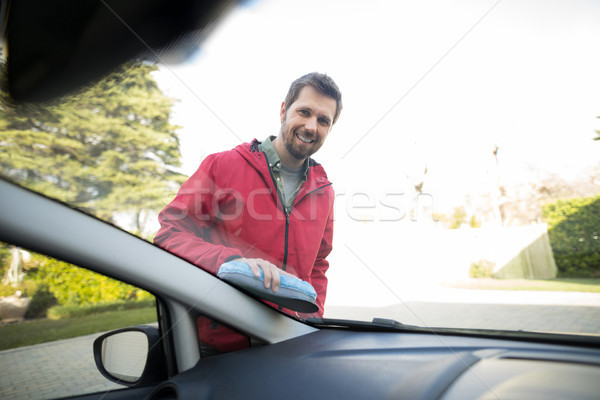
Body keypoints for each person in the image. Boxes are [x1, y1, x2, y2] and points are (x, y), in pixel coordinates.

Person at [154, 72, 342, 353]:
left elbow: (318, 263)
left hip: (289, 344)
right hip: (220, 348)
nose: (311, 126)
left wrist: (311, 320)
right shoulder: (222, 165)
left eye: (323, 120)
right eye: (304, 112)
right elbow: (170, 234)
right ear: (283, 110)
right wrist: (232, 263)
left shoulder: (324, 191)